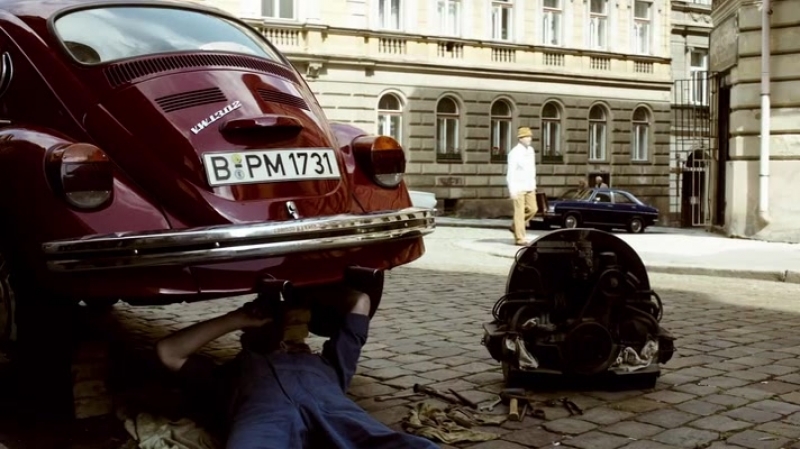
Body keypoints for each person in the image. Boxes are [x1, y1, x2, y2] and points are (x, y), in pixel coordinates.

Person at [155, 288, 438, 449]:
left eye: (299, 329)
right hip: (265, 419)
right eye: (285, 326)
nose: (295, 335)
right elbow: (168, 352)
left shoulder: (330, 364)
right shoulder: (232, 373)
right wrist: (236, 318)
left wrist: (307, 295)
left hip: (338, 416)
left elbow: (359, 301)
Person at [506, 126, 538, 246]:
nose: (529, 139)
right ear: (520, 138)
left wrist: (534, 185)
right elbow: (511, 172)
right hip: (518, 187)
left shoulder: (531, 151)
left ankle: (515, 225)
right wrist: (512, 190)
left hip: (529, 185)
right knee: (519, 213)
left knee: (533, 209)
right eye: (527, 137)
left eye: (530, 136)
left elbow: (532, 169)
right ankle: (520, 238)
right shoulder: (514, 153)